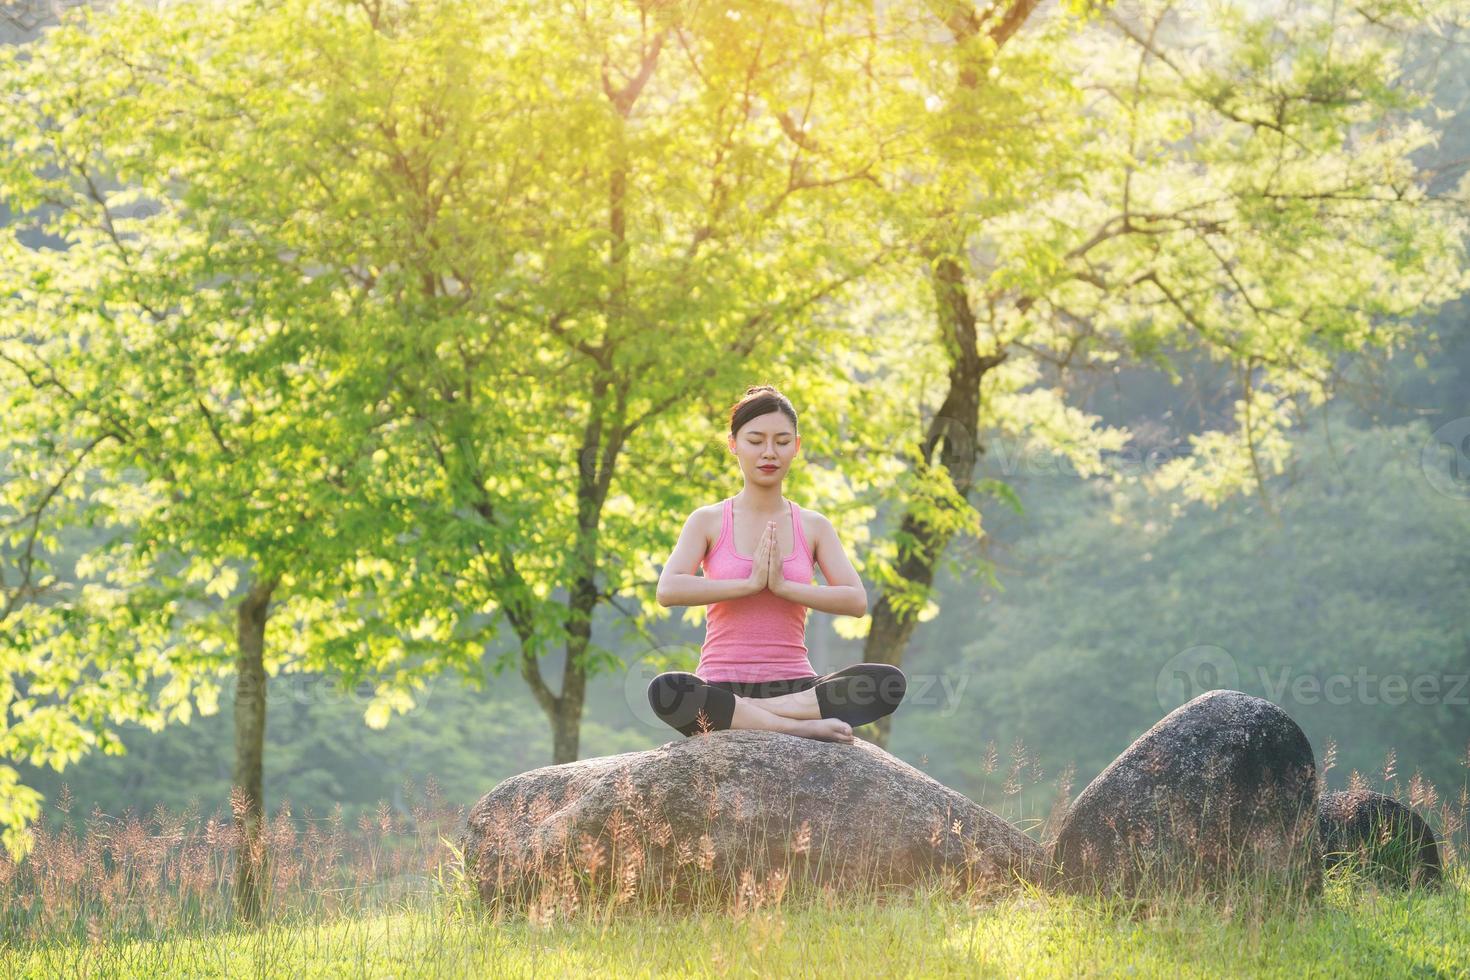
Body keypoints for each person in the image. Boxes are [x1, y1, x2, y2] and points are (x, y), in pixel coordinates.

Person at [650, 384, 906, 744]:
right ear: (733, 444)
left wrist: (785, 588)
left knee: (887, 683)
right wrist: (749, 585)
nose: (769, 453)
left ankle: (751, 714)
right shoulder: (707, 520)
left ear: (796, 447)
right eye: (755, 441)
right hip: (722, 684)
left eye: (782, 441)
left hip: (796, 687)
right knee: (667, 691)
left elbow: (855, 600)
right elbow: (668, 589)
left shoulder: (813, 526)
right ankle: (794, 727)